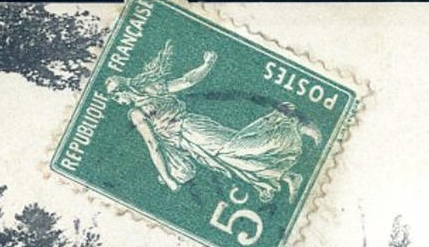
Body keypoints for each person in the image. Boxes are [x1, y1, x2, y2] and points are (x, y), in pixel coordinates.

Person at [105, 41, 320, 204]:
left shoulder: (140, 108)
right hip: (188, 141)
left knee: (235, 148)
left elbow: (154, 145)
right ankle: (288, 176)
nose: (116, 99)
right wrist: (207, 64)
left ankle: (293, 125)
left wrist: (207, 64)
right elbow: (185, 83)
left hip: (192, 129)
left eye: (115, 94)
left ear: (125, 89)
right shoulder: (147, 96)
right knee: (230, 162)